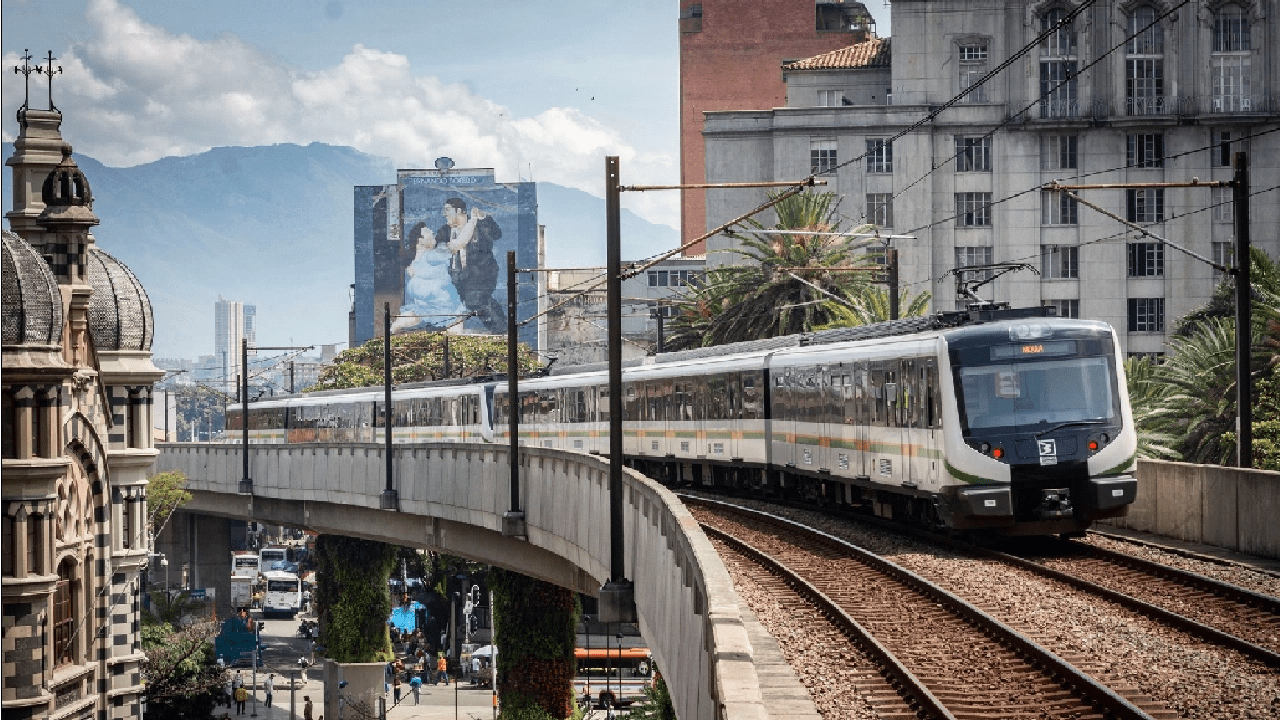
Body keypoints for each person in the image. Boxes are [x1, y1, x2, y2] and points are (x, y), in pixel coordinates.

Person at [435, 198, 506, 333]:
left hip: (480, 274)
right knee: (450, 304)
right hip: (456, 276)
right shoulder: (445, 230)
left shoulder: (479, 225)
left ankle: (502, 330)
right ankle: (450, 336)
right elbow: (437, 248)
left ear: (459, 211)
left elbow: (497, 234)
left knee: (476, 300)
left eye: (448, 210)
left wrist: (484, 218)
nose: (445, 214)